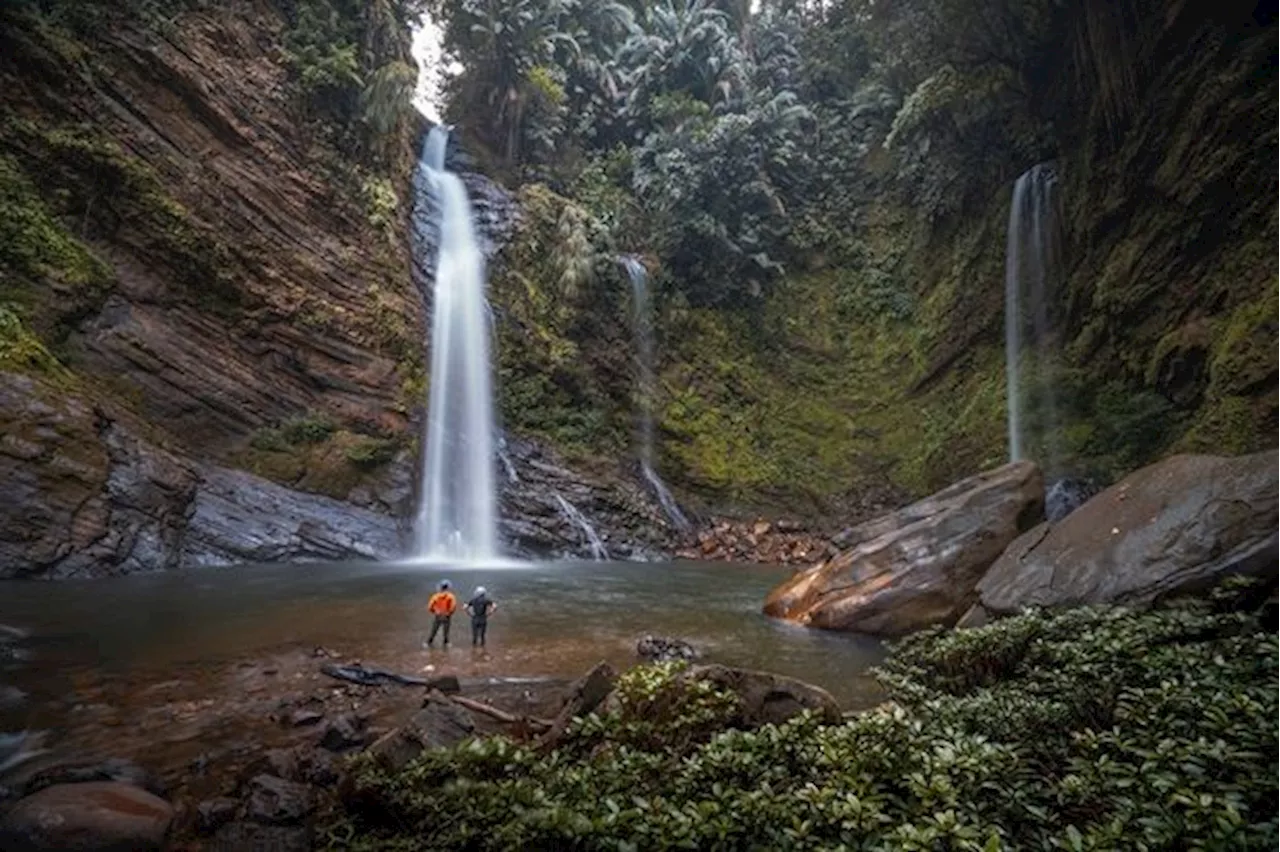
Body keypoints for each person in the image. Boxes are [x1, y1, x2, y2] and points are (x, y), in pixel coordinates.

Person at [426, 580, 457, 647]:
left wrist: (434, 611)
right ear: (447, 587)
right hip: (446, 616)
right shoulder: (451, 596)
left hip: (438, 615)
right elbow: (453, 606)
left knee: (434, 629)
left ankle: (429, 642)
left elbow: (430, 606)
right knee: (446, 630)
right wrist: (449, 613)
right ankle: (446, 643)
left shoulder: (435, 596)